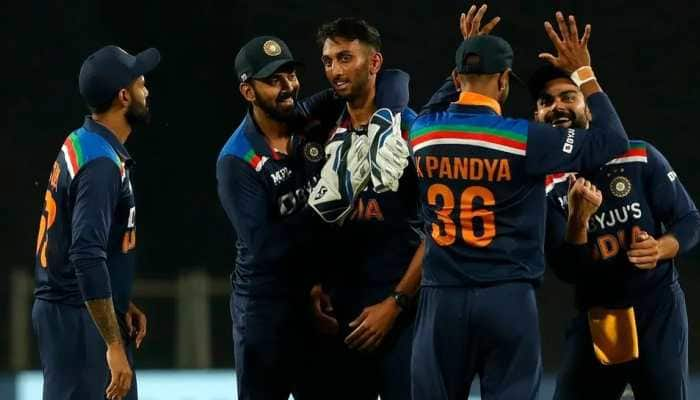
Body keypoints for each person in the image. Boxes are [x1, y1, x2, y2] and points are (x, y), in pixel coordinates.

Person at [408, 8, 630, 400]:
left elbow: (434, 106)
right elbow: (612, 142)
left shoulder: (424, 131)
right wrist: (585, 74)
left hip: (441, 299)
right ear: (503, 83)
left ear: (458, 78)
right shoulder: (525, 140)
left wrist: (466, 51)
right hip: (506, 299)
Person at [216, 35, 408, 400]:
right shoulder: (236, 160)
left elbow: (392, 78)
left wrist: (386, 120)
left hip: (317, 303)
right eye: (273, 80)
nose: (288, 87)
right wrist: (322, 206)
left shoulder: (305, 118)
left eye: (290, 74)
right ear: (248, 92)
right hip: (264, 310)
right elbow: (267, 248)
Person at [534, 63, 700, 399]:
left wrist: (662, 247)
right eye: (545, 102)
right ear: (536, 117)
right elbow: (567, 269)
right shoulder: (544, 186)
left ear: (590, 111)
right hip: (598, 314)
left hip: (657, 310)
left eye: (568, 96)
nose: (557, 106)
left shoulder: (639, 155)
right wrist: (578, 220)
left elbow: (690, 220)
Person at [32, 45, 159, 400]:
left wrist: (119, 301)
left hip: (75, 312)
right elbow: (85, 255)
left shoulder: (84, 140)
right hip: (77, 320)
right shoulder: (101, 163)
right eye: (141, 83)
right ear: (123, 96)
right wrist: (112, 345)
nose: (146, 91)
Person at [307, 17, 422, 400]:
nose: (335, 71)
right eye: (327, 61)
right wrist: (315, 284)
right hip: (339, 318)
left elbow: (442, 227)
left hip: (403, 317)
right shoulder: (321, 133)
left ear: (374, 64)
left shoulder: (410, 130)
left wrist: (396, 303)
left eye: (345, 58)